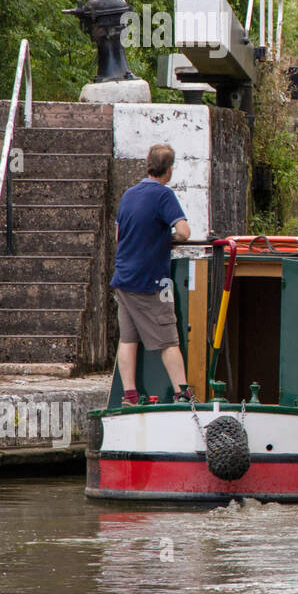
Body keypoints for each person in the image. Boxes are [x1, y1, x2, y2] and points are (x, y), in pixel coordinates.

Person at [111, 144, 191, 407]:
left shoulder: (128, 195)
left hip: (123, 279)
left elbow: (119, 236)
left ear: (148, 165)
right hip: (151, 282)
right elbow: (184, 232)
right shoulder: (163, 195)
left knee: (128, 338)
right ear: (168, 170)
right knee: (169, 339)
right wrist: (169, 237)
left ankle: (130, 396)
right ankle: (183, 395)